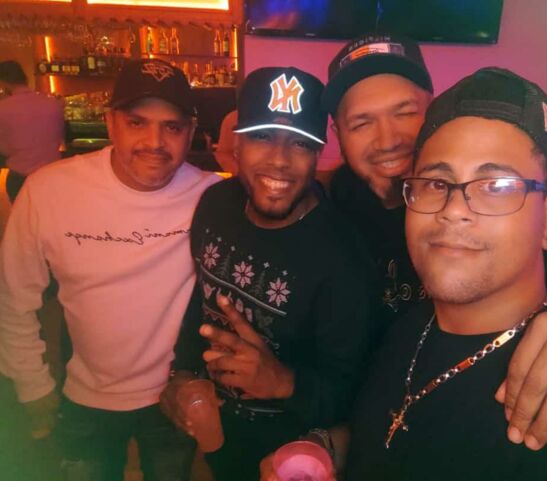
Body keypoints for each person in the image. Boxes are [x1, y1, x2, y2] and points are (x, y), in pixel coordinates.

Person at [320, 33, 547, 448]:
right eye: (362, 123)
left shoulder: (536, 229)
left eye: (405, 112)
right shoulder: (334, 208)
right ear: (339, 134)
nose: (387, 139)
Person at [0, 59, 221, 481]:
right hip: (83, 396)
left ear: (190, 131)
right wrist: (33, 385)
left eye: (172, 127)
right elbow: (14, 297)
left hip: (173, 398)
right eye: (137, 122)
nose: (154, 142)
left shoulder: (211, 196)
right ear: (110, 122)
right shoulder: (49, 190)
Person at [161, 67, 375, 481]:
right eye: (261, 136)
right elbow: (202, 299)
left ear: (318, 153)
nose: (279, 160)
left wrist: (282, 381)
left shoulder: (344, 260)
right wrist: (182, 373)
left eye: (300, 143)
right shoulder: (216, 205)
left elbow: (355, 395)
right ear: (236, 143)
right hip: (218, 435)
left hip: (290, 460)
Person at [0, 60, 64, 202]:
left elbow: (4, 149)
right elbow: (60, 137)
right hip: (52, 175)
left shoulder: (3, 108)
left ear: (3, 83)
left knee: (23, 216)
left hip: (21, 178)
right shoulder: (53, 104)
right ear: (25, 79)